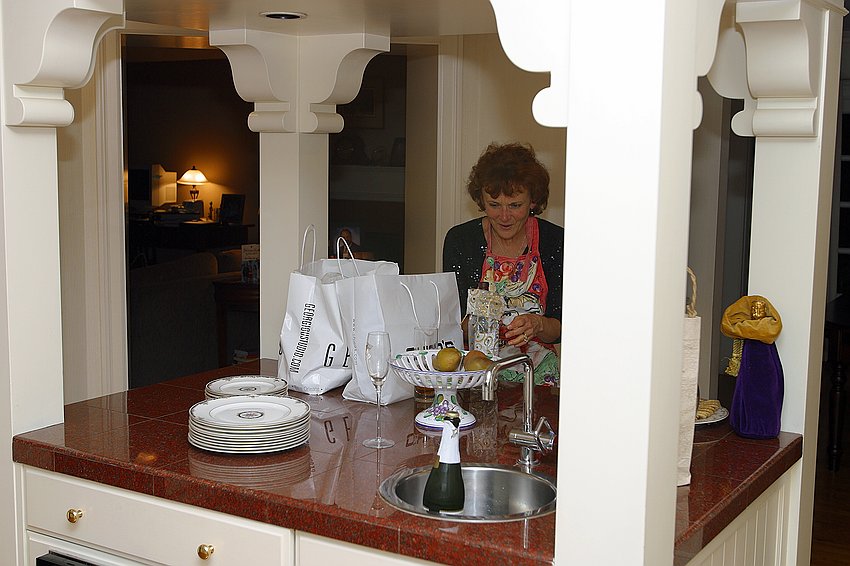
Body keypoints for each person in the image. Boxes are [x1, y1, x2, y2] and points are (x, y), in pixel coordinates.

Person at [442, 142, 563, 385]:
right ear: (481, 200)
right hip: (476, 374)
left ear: (533, 200)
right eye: (494, 205)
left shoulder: (556, 241)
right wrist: (479, 322)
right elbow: (451, 324)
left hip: (538, 376)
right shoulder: (461, 240)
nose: (504, 216)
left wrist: (537, 324)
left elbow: (561, 328)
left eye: (515, 205)